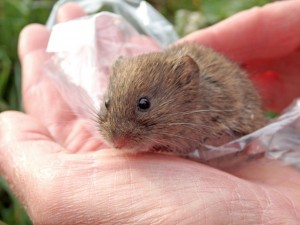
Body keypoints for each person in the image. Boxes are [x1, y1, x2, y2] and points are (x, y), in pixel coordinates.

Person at [0, 1, 300, 224]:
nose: (116, 135)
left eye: (143, 107)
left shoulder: (199, 105)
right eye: (108, 107)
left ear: (186, 82)